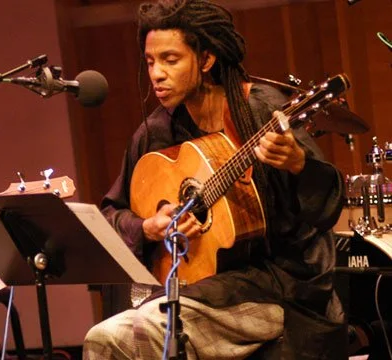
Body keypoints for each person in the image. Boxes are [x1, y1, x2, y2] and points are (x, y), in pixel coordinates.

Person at [82, 0, 346, 359]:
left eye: (170, 60)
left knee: (114, 338)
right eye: (150, 61)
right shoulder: (156, 132)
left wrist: (299, 164)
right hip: (199, 288)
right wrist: (148, 227)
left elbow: (328, 203)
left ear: (206, 60)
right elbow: (111, 215)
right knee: (122, 327)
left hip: (276, 287)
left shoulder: (259, 111)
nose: (156, 73)